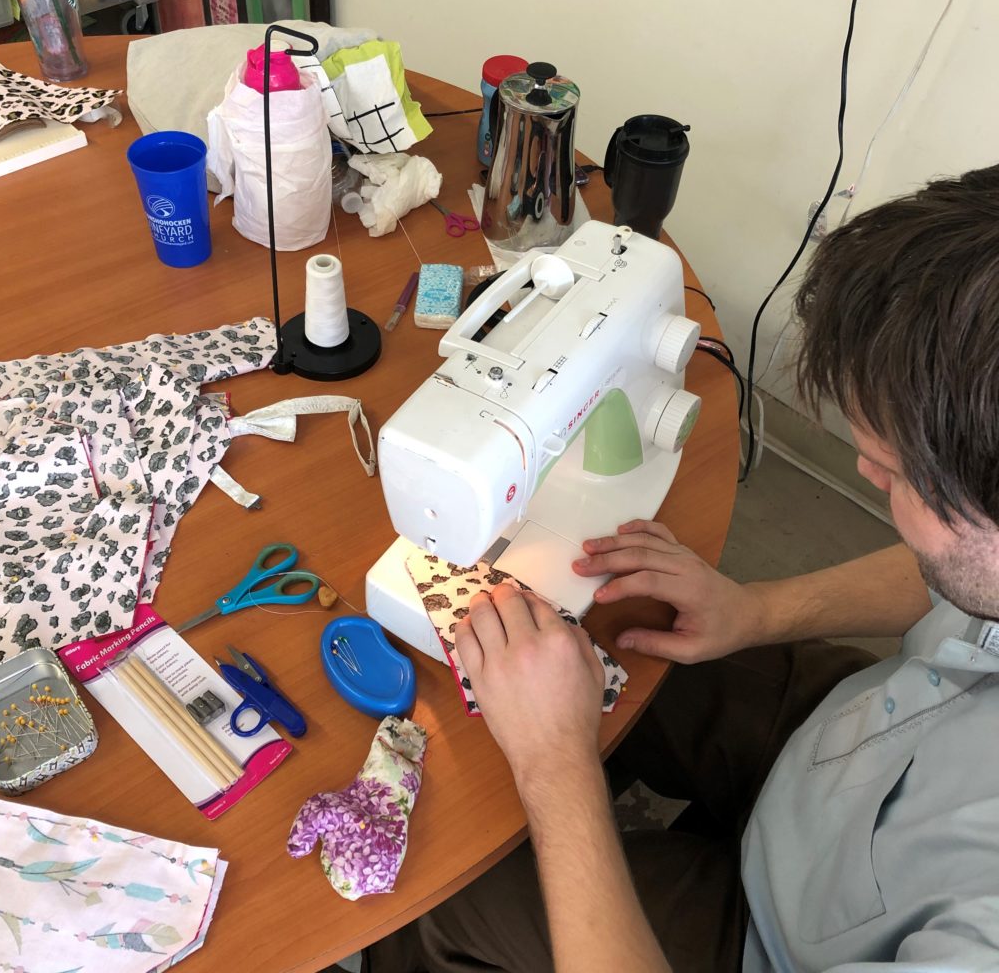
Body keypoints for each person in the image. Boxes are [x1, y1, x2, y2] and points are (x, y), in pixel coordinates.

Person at [360, 164, 999, 972]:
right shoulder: (981, 550)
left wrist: (557, 767)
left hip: (777, 943)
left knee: (439, 903)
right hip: (855, 737)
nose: (869, 476)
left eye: (898, 474)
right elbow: (957, 574)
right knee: (627, 628)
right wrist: (758, 612)